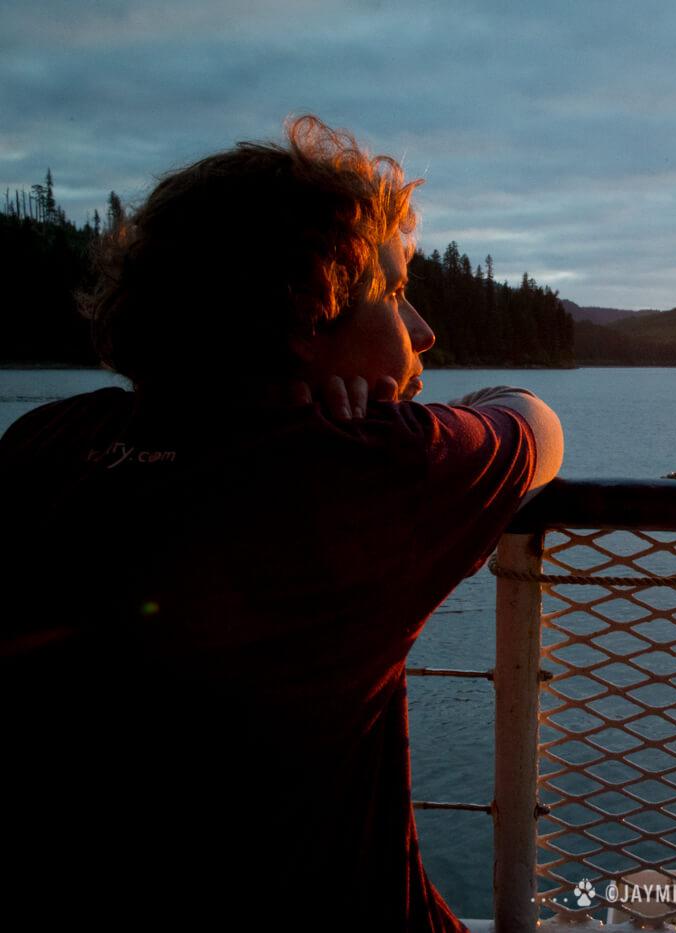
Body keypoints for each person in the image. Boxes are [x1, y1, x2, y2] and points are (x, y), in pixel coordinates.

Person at [0, 116, 563, 930]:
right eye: (395, 294)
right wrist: (418, 420)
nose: (423, 332)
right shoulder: (360, 471)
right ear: (310, 315)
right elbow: (534, 425)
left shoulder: (46, 445)